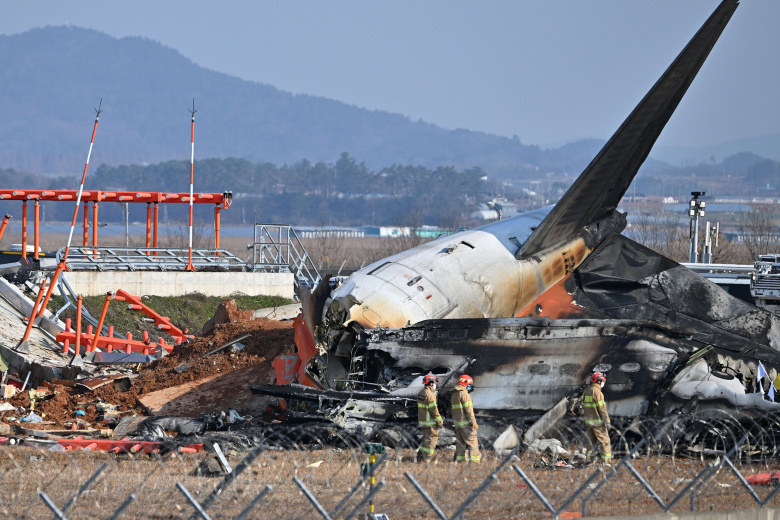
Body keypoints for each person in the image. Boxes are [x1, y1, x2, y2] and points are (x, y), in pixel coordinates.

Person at [583, 372, 612, 465]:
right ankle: (607, 462)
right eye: (603, 381)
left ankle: (590, 461)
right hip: (597, 422)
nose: (603, 382)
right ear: (599, 381)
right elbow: (602, 409)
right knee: (605, 441)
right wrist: (607, 422)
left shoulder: (587, 391)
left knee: (591, 443)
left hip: (588, 422)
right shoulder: (597, 392)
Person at [451, 374, 481, 463]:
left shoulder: (454, 394)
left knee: (460, 443)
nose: (470, 387)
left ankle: (460, 461)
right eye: (469, 385)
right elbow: (469, 410)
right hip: (466, 423)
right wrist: (473, 422)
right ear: (465, 384)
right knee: (473, 442)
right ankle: (475, 462)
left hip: (458, 423)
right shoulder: (464, 394)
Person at [417, 374, 443, 462]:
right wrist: (439, 421)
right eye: (434, 382)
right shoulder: (430, 395)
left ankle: (419, 456)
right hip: (430, 422)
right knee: (431, 440)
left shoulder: (421, 392)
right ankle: (426, 458)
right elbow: (434, 410)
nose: (435, 384)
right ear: (431, 383)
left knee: (425, 439)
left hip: (423, 421)